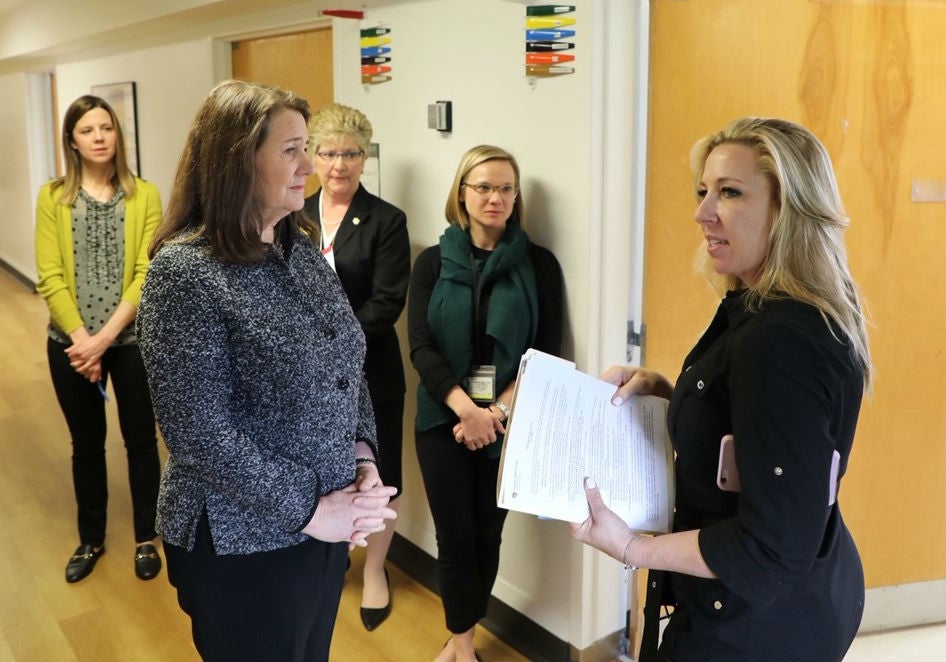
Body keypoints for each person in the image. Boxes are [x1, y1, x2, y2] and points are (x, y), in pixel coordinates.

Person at [571, 117, 871, 662]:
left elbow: (771, 549)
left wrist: (634, 547)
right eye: (703, 190)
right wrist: (673, 393)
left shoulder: (781, 339)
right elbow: (762, 428)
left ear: (788, 211)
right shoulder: (764, 308)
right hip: (803, 601)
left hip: (755, 631)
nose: (702, 212)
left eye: (729, 193)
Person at [136, 80, 397, 662]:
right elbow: (198, 436)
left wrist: (362, 459)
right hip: (242, 544)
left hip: (324, 529)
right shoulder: (185, 273)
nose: (311, 165)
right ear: (236, 162)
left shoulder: (296, 246)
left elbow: (344, 362)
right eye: (292, 150)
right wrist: (313, 509)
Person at [409, 145, 564, 662]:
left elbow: (544, 352)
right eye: (483, 187)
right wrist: (466, 409)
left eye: (505, 188)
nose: (495, 198)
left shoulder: (538, 264)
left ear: (517, 197)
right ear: (461, 193)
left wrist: (494, 412)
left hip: (508, 422)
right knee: (455, 537)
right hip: (442, 418)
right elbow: (421, 347)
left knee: (488, 536)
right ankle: (463, 643)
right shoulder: (432, 261)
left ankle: (460, 637)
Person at [35, 95, 163, 584]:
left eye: (106, 128)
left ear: (118, 135)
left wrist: (104, 340)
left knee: (141, 441)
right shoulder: (53, 197)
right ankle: (91, 538)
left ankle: (146, 538)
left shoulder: (144, 195)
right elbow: (49, 274)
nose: (99, 137)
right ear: (72, 139)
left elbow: (146, 270)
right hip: (69, 343)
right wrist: (81, 340)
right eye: (87, 130)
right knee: (86, 444)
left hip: (129, 342)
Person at [302, 103, 410, 632]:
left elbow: (387, 304)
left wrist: (328, 343)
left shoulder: (387, 220)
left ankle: (374, 570)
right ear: (313, 156)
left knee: (378, 474)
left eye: (349, 153)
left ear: (364, 157)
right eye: (327, 152)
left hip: (371, 374)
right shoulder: (293, 215)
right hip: (304, 376)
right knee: (319, 466)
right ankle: (322, 558)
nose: (338, 164)